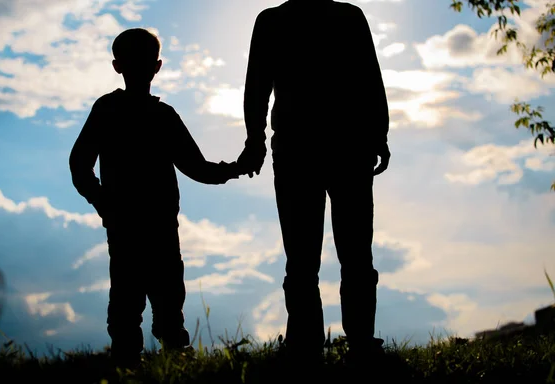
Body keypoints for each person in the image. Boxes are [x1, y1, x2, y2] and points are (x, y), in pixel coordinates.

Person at [69, 28, 241, 368]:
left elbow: (79, 166)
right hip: (146, 224)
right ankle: (161, 363)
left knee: (140, 302)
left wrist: (103, 202)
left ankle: (139, 365)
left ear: (117, 66)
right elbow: (198, 169)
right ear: (157, 66)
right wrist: (235, 168)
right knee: (146, 302)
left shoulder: (128, 112)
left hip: (141, 224)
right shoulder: (149, 114)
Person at [238, 0, 391, 367]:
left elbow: (256, 85)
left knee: (307, 257)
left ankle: (310, 346)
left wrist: (254, 140)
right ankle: (356, 343)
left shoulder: (274, 20)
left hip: (304, 147)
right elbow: (370, 78)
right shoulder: (346, 16)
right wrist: (378, 135)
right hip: (340, 146)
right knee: (349, 253)